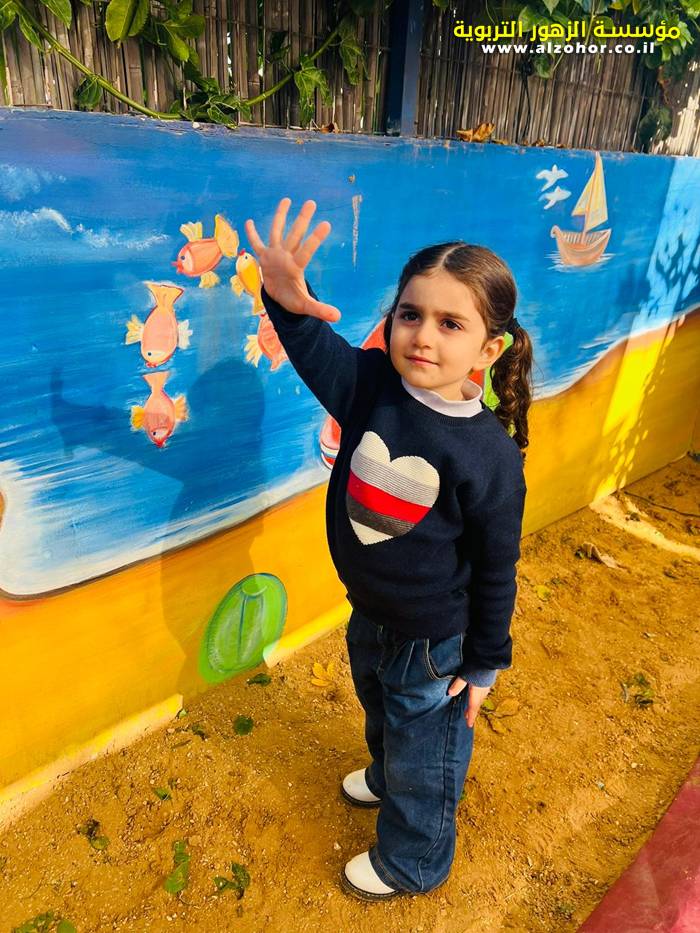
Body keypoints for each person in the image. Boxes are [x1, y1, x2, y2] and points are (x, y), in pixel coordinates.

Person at [245, 198, 533, 902]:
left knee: (426, 751)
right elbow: (315, 351)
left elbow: (497, 570)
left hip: (436, 643)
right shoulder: (371, 387)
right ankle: (385, 774)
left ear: (489, 349)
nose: (423, 336)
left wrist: (486, 661)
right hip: (370, 616)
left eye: (450, 323)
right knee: (381, 712)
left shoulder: (490, 457)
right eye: (410, 314)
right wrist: (285, 302)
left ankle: (415, 858)